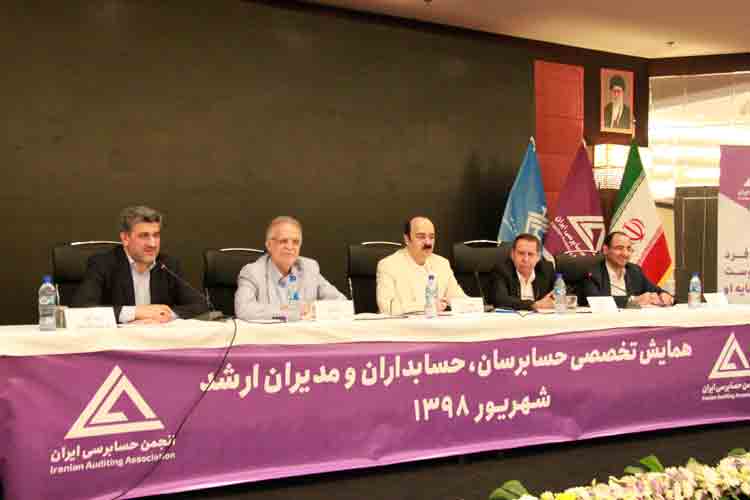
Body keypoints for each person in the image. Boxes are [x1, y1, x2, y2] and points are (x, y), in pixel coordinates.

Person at [72, 206, 208, 323]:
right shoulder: (103, 264)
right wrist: (135, 313)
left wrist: (165, 315)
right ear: (125, 238)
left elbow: (200, 304)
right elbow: (82, 309)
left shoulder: (167, 265)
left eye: (156, 235)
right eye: (144, 236)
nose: (152, 244)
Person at [234, 216, 346, 320]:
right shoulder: (252, 272)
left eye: (296, 242)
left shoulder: (309, 268)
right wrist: (296, 313)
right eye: (283, 241)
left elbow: (342, 303)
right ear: (269, 245)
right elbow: (244, 310)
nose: (290, 247)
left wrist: (315, 309)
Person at [376, 216, 466, 315]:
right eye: (421, 237)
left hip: (436, 324)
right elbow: (387, 308)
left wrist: (474, 305)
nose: (428, 242)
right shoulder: (388, 265)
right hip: (402, 324)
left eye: (431, 237)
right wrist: (427, 306)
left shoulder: (442, 264)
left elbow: (460, 300)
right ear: (407, 239)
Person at [583, 231, 673, 308]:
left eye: (629, 249)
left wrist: (664, 295)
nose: (625, 254)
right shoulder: (592, 271)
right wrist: (633, 300)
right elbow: (595, 301)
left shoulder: (634, 270)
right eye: (619, 248)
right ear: (606, 250)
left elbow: (657, 290)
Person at [491, 233, 555, 311]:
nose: (525, 259)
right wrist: (533, 305)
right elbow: (500, 300)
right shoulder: (502, 270)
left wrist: (554, 297)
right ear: (512, 254)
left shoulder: (546, 270)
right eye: (521, 253)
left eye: (530, 254)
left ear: (538, 257)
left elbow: (561, 293)